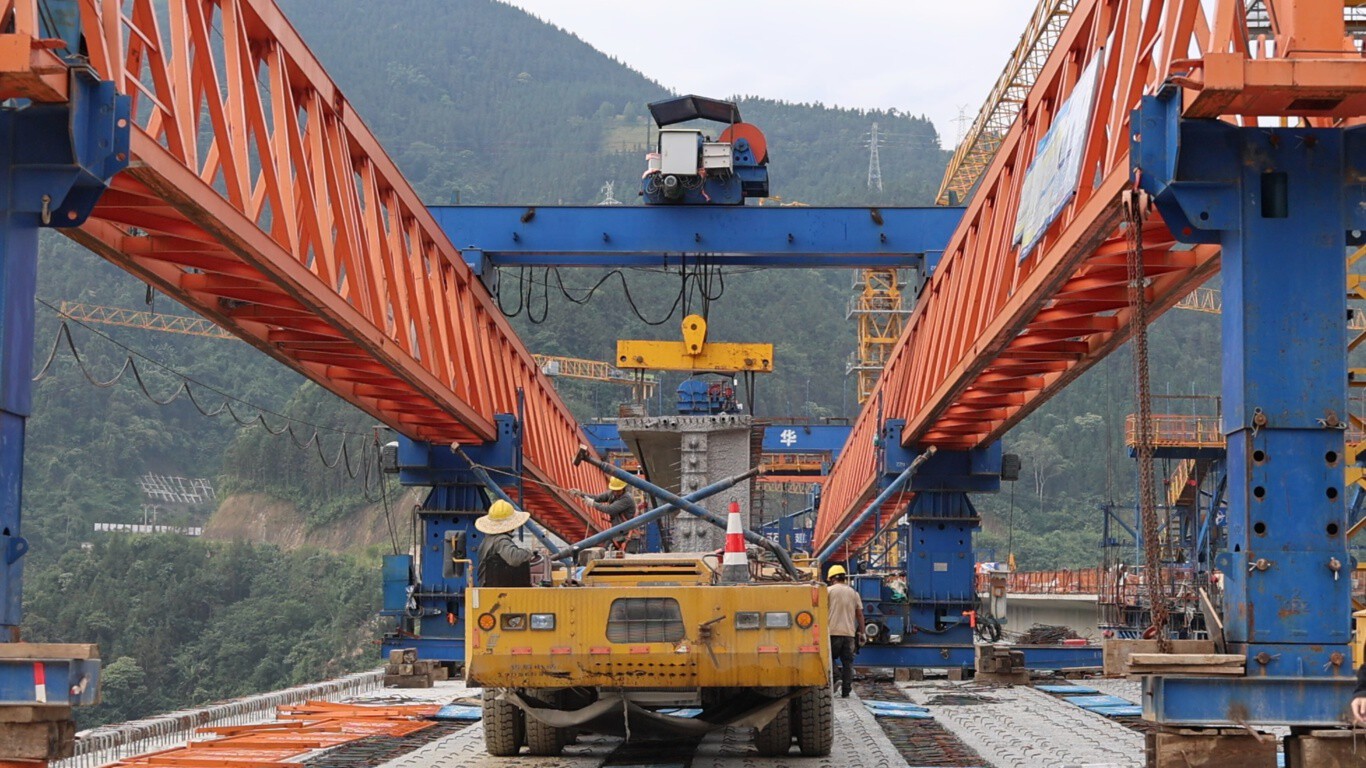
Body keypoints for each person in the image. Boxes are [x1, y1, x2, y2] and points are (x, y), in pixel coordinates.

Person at [474, 499, 539, 587]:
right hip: (495, 590)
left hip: (488, 587)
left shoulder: (488, 539)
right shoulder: (501, 540)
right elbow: (514, 558)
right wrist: (529, 553)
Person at [826, 564, 865, 699]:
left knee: (829, 659)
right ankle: (846, 691)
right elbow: (859, 614)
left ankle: (836, 678)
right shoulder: (854, 593)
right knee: (848, 663)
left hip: (832, 632)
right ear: (844, 578)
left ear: (832, 578)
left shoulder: (828, 591)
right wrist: (862, 632)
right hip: (849, 634)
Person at [582, 476, 637, 551]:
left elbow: (609, 509)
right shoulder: (612, 494)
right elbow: (597, 498)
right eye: (614, 490)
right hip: (616, 534)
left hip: (627, 536)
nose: (615, 492)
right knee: (605, 553)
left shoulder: (627, 499)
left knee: (627, 558)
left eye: (618, 491)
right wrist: (581, 494)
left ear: (623, 488)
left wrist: (593, 504)